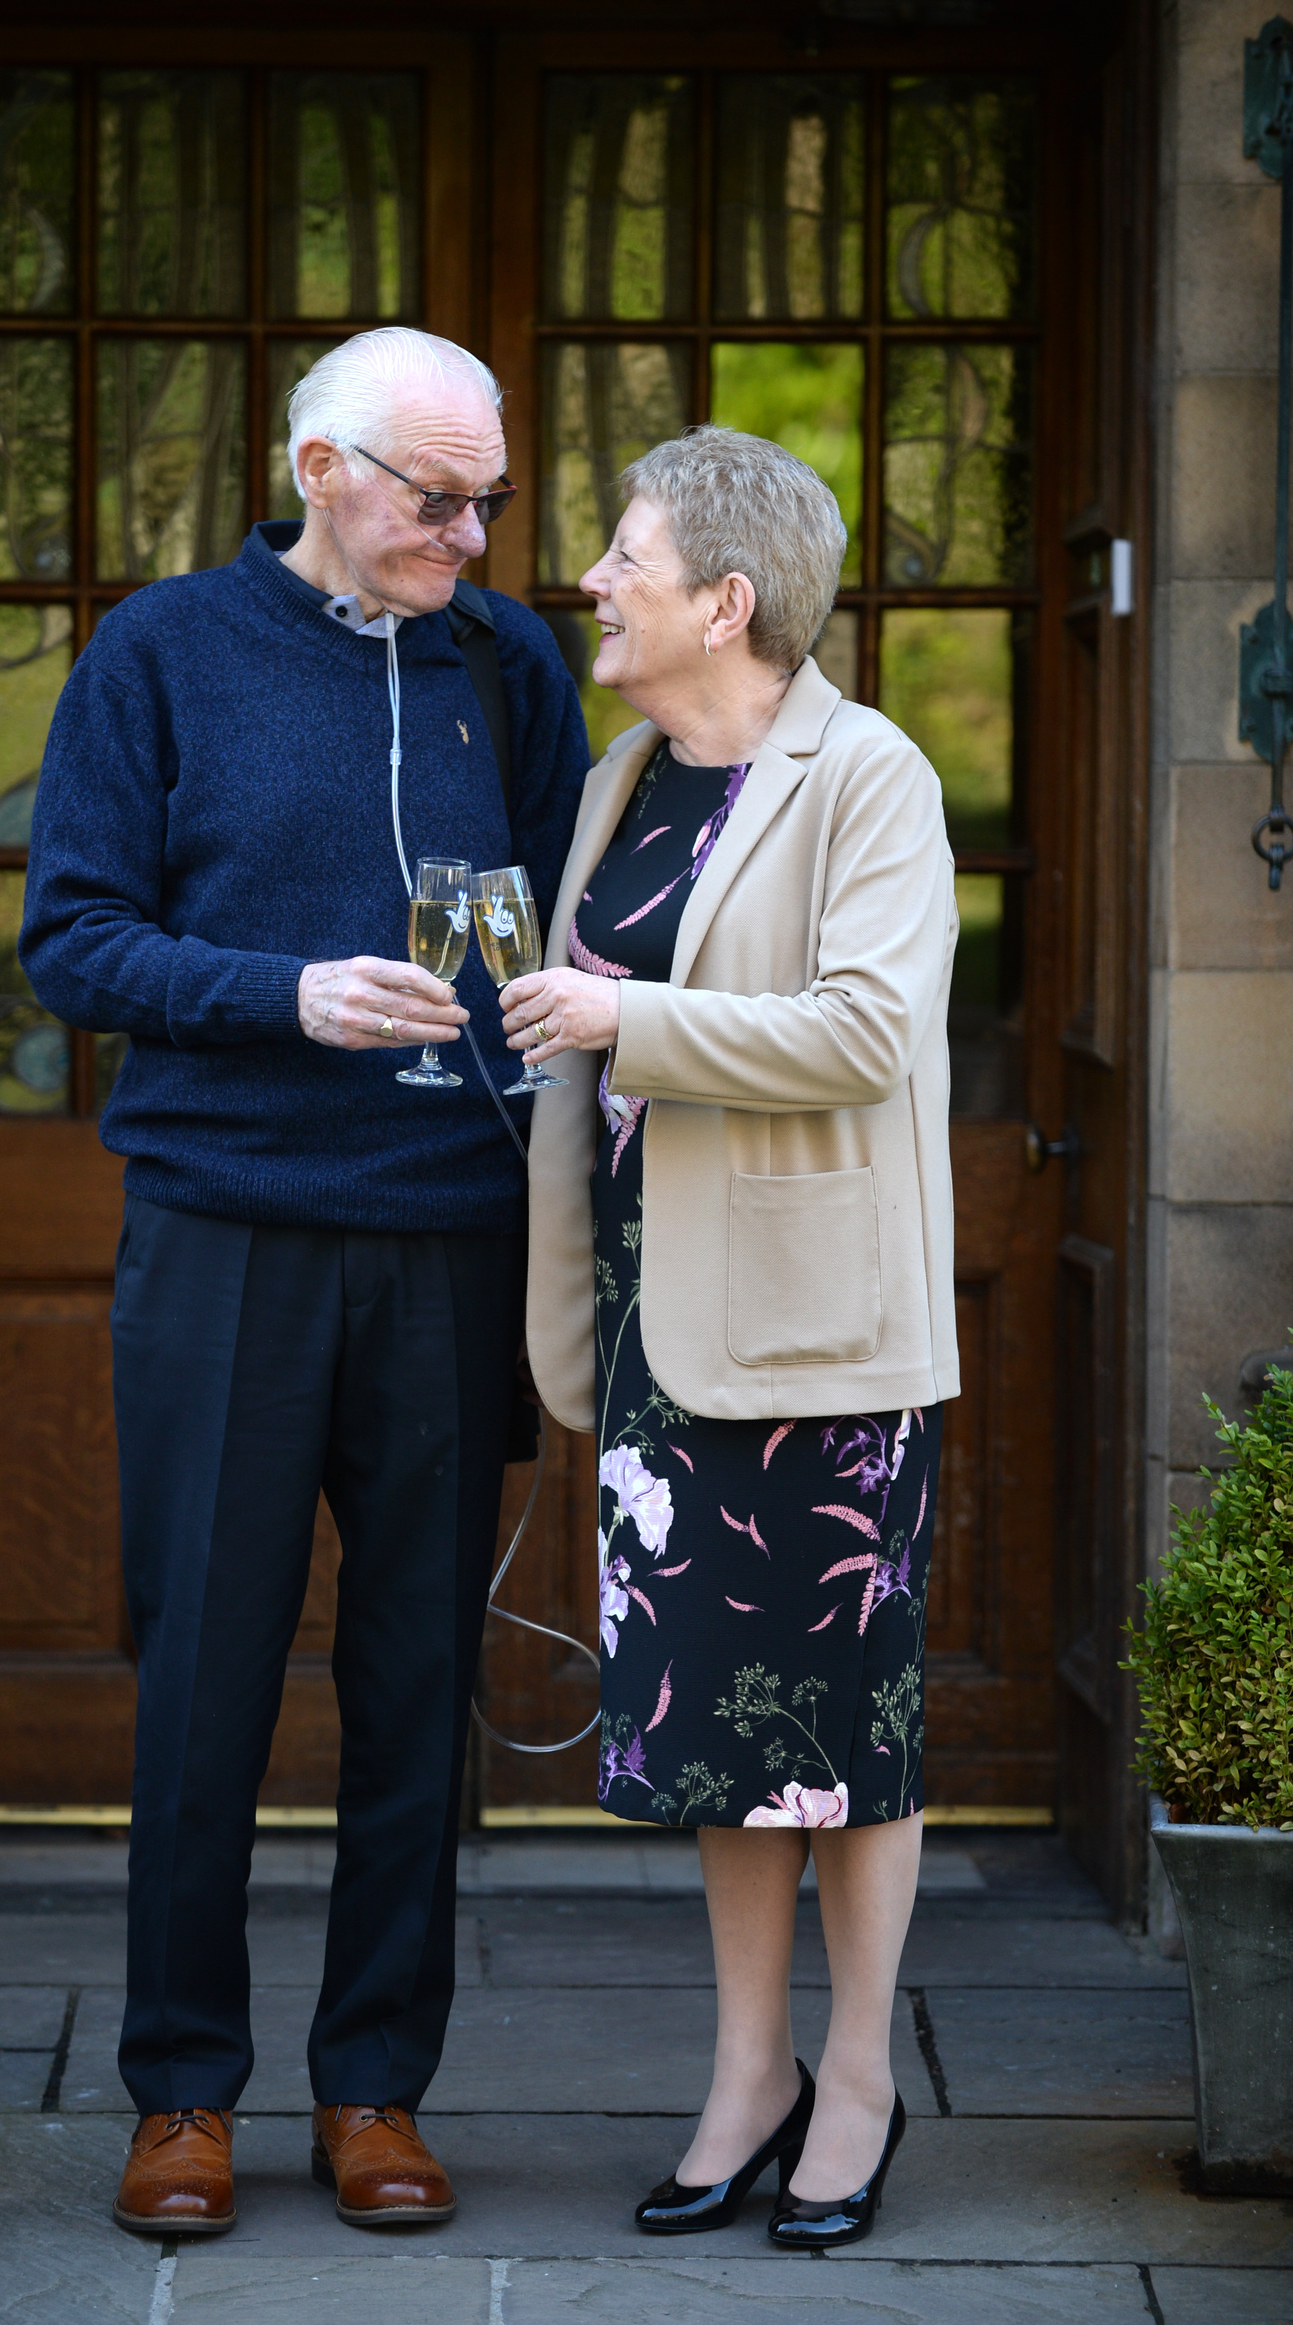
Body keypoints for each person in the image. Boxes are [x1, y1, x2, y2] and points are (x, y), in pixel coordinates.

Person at [20, 328, 589, 2238]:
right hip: (228, 1228)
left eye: (492, 498)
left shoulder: (506, 663)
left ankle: (375, 2086)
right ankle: (182, 2093)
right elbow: (72, 940)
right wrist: (284, 996)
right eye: (438, 498)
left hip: (450, 1232)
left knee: (420, 1679)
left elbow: (566, 921)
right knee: (205, 1681)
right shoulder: (159, 650)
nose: (472, 532)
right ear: (322, 467)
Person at [503, 425, 958, 2251]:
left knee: (845, 1734)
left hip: (824, 1344)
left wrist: (629, 1013)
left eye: (625, 553)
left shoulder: (873, 774)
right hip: (650, 1332)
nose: (594, 581)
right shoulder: (623, 771)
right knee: (718, 1733)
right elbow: (595, 1030)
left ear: (725, 597)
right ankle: (748, 2071)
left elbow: (866, 1031)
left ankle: (858, 2080)